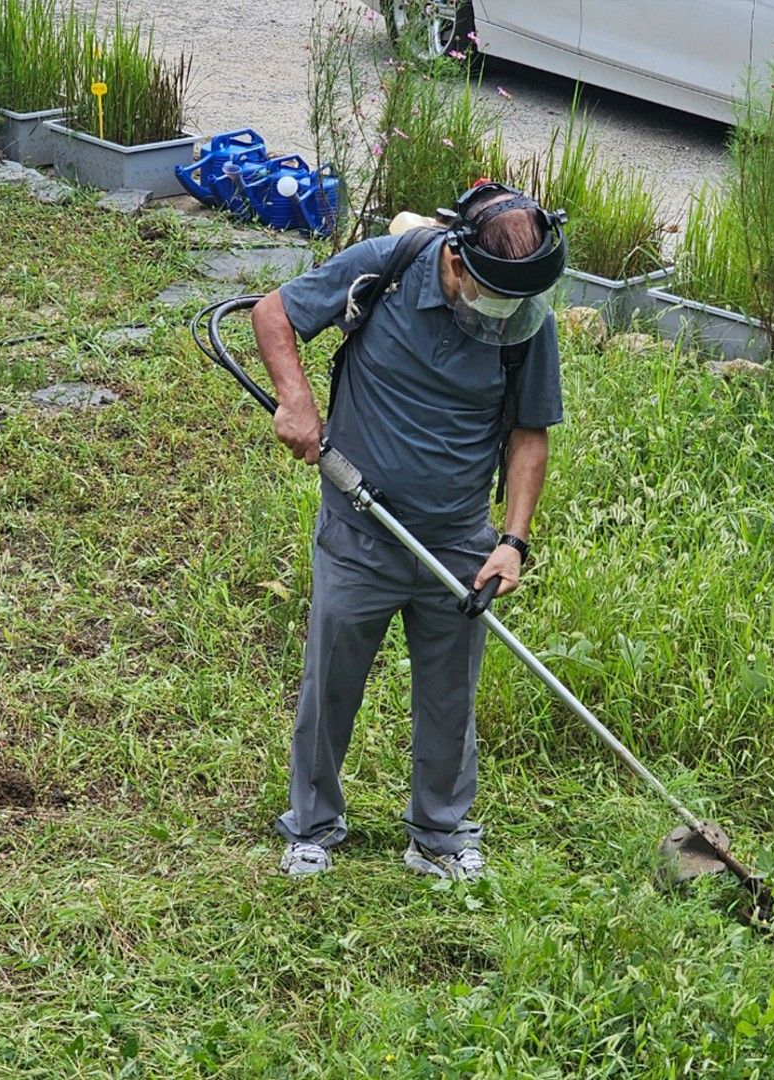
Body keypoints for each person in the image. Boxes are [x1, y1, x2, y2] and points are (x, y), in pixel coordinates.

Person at [251, 182, 567, 881]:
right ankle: (312, 825)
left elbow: (529, 437)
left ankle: (441, 837)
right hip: (359, 528)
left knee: (450, 697)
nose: (504, 314)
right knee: (330, 681)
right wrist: (296, 401)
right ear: (457, 263)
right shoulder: (387, 266)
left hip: (458, 542)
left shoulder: (524, 322)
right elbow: (274, 313)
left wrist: (511, 543)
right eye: (493, 295)